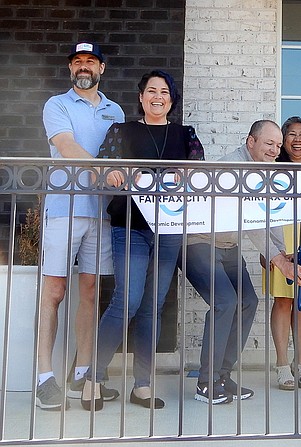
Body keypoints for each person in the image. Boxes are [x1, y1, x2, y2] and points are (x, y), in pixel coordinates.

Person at [83, 70, 205, 411]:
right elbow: (102, 169)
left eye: (164, 91)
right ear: (140, 97)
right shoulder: (122, 130)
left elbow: (200, 170)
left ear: (171, 99)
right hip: (130, 225)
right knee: (127, 301)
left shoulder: (185, 135)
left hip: (169, 229)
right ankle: (94, 378)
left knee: (153, 306)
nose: (157, 96)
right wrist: (116, 171)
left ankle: (143, 384)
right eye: (151, 90)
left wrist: (186, 173)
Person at [183, 119, 301, 404]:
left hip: (228, 245)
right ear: (250, 141)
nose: (275, 150)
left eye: (278, 145)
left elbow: (267, 215)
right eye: (269, 144)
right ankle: (205, 383)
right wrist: (278, 260)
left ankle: (222, 377)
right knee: (226, 302)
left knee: (248, 301)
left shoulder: (265, 171)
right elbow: (250, 221)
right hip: (198, 242)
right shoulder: (234, 168)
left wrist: (282, 250)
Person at [38, 41, 124, 410]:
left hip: (101, 212)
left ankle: (81, 377)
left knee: (90, 292)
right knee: (54, 292)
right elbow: (66, 144)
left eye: (90, 61)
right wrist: (103, 169)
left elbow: (122, 155)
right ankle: (44, 378)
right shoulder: (56, 105)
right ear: (71, 69)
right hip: (64, 207)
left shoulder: (115, 110)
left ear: (101, 68)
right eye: (77, 62)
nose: (83, 67)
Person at [266, 116, 301, 390]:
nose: (297, 140)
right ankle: (282, 364)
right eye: (291, 135)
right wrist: (270, 249)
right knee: (283, 300)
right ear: (283, 141)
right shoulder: (273, 169)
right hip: (280, 237)